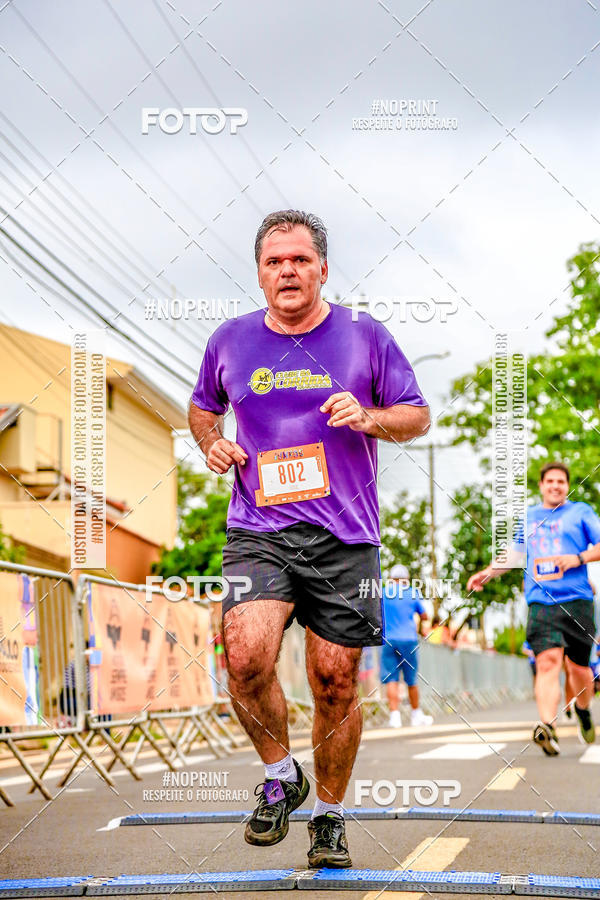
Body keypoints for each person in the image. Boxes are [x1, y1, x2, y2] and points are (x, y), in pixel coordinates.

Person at [189, 210, 430, 868]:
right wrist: (212, 443)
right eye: (275, 262)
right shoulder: (230, 340)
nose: (288, 271)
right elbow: (203, 408)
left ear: (323, 268)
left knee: (334, 681)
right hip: (258, 529)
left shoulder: (364, 335)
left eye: (300, 260)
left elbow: (417, 415)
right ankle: (280, 775)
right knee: (244, 659)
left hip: (345, 537)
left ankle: (328, 816)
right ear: (260, 273)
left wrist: (370, 416)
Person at [467, 462, 600, 756]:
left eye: (561, 481)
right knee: (547, 662)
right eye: (550, 481)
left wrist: (578, 558)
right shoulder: (529, 517)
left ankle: (583, 709)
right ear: (541, 485)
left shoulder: (580, 512)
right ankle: (547, 727)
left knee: (579, 668)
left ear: (567, 486)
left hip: (577, 600)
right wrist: (487, 573)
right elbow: (515, 554)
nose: (555, 486)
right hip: (541, 602)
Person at [380, 564, 432, 728]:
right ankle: (416, 715)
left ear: (391, 579)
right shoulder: (412, 592)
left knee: (391, 679)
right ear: (406, 579)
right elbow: (424, 615)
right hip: (408, 640)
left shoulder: (383, 593)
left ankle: (394, 718)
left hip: (388, 640)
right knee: (411, 679)